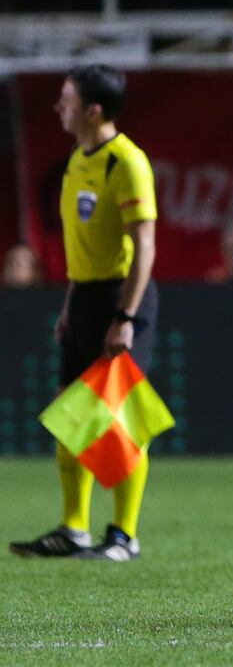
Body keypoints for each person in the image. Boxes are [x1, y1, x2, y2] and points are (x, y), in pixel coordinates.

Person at [9, 65, 159, 562]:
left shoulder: (127, 163)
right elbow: (83, 245)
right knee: (68, 414)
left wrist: (127, 317)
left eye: (66, 99)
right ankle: (73, 529)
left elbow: (145, 248)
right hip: (87, 299)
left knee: (114, 421)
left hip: (121, 297)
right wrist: (72, 304)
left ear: (94, 110)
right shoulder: (78, 159)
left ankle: (124, 536)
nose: (58, 106)